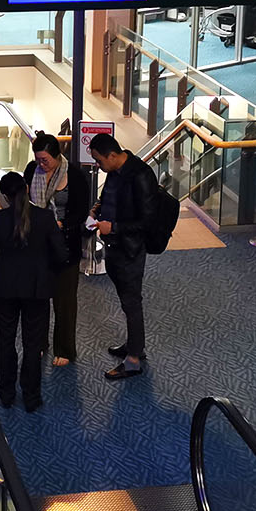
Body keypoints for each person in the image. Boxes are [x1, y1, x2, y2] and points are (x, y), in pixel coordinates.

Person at [0, 171, 66, 411]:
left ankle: (6, 393)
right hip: (36, 288)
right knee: (32, 343)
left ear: (4, 196)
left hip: (5, 287)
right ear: (27, 189)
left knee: (5, 340)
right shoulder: (46, 218)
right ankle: (31, 395)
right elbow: (61, 255)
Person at [89, 133, 157, 379]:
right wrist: (96, 211)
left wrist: (114, 227)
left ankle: (134, 360)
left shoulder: (141, 175)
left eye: (99, 161)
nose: (98, 166)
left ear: (113, 155)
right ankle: (134, 345)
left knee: (131, 301)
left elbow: (148, 221)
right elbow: (108, 197)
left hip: (130, 248)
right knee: (126, 299)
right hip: (114, 245)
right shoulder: (114, 173)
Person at [23, 133, 88, 366]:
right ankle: (39, 343)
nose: (41, 164)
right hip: (38, 245)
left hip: (64, 245)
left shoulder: (75, 176)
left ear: (57, 156)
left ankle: (65, 349)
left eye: (45, 160)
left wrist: (61, 224)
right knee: (37, 298)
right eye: (38, 159)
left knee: (64, 300)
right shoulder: (32, 171)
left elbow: (81, 211)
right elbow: (25, 201)